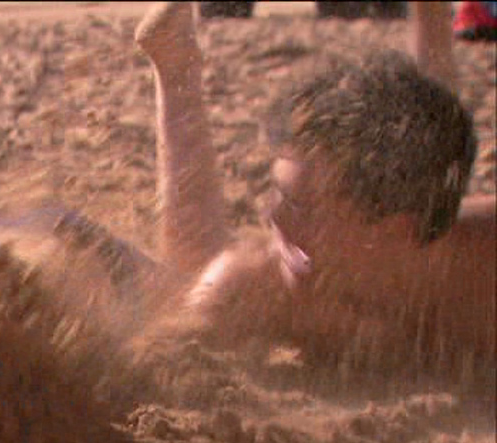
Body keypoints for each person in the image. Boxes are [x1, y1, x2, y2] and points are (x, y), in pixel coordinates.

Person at [135, 2, 495, 376]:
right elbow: (163, 359)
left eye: (300, 205)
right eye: (277, 192)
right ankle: (176, 67)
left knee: (425, 151)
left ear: (395, 226)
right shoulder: (266, 283)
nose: (271, 215)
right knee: (196, 271)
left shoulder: (480, 271)